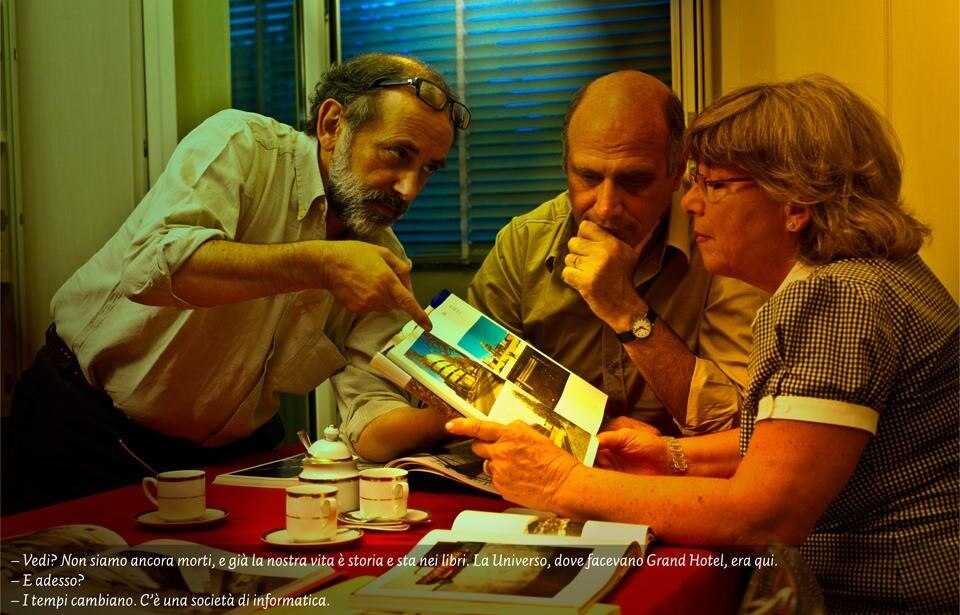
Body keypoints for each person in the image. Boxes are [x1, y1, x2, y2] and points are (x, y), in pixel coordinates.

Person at [448, 74, 959, 612]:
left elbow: (764, 517)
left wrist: (560, 483)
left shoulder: (836, 296)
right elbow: (788, 449)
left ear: (796, 203)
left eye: (713, 185)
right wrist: (673, 455)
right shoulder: (870, 276)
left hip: (890, 594)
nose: (690, 203)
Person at [4, 53, 470, 512]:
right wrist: (320, 264)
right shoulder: (243, 146)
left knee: (240, 588)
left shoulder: (382, 258)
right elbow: (151, 266)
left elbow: (370, 420)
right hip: (86, 430)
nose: (409, 189)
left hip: (232, 459)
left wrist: (451, 417)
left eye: (429, 168)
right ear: (332, 126)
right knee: (56, 583)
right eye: (399, 154)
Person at [468, 71, 765, 436]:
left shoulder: (721, 242)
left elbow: (739, 425)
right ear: (566, 165)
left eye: (634, 180)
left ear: (676, 172)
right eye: (588, 177)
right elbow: (475, 383)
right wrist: (595, 429)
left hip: (683, 478)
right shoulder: (523, 243)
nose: (607, 207)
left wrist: (626, 309)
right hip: (552, 469)